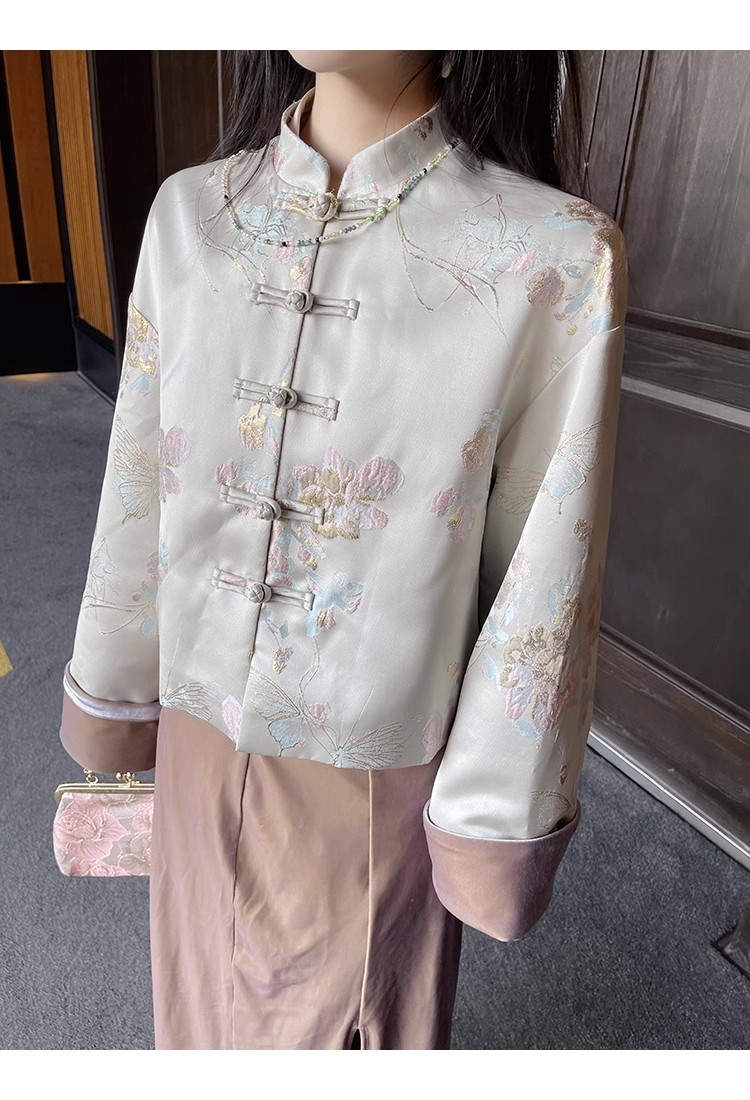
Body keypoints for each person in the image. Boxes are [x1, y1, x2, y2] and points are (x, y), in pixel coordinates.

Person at [57, 50, 629, 1050]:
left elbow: (543, 586)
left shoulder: (553, 257)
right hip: (195, 736)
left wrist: (494, 812)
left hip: (372, 780)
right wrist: (116, 683)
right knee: (189, 1018)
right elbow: (139, 475)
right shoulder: (190, 216)